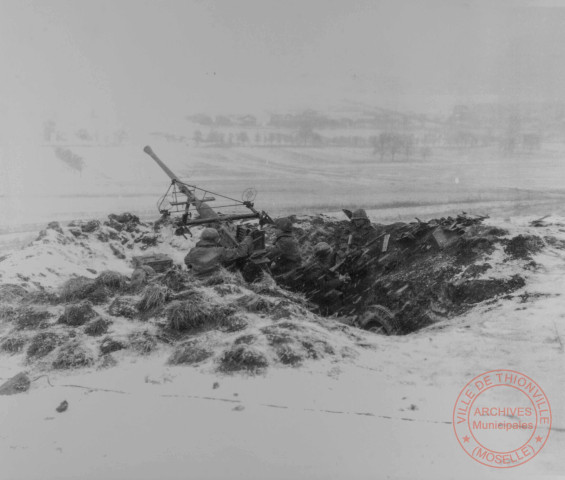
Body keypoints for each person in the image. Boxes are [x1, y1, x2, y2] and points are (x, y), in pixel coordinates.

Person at [184, 228, 252, 278]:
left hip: (195, 280)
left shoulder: (192, 251)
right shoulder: (220, 251)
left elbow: (187, 263)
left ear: (202, 238)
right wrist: (248, 238)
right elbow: (240, 252)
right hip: (213, 280)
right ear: (216, 239)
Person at [300, 242, 346, 315]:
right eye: (329, 254)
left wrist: (334, 277)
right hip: (312, 295)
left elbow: (322, 275)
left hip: (310, 291)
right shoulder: (316, 268)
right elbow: (323, 286)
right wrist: (339, 280)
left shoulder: (316, 262)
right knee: (336, 295)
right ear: (326, 256)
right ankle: (335, 316)